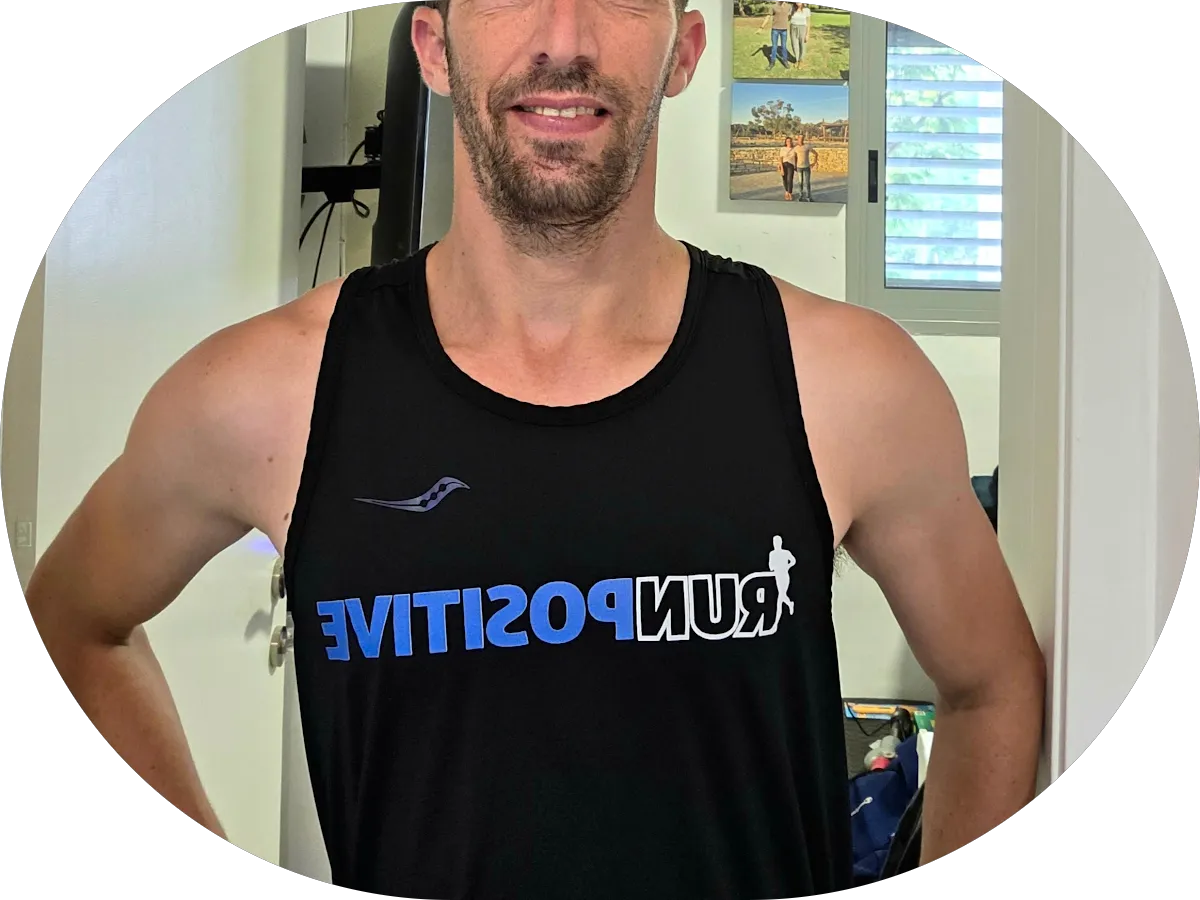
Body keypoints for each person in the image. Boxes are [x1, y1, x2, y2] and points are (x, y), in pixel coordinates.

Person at [23, 1, 1046, 897]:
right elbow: (73, 623)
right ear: (435, 48)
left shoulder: (851, 383)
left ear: (684, 53)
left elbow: (993, 685)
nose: (566, 37)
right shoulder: (261, 395)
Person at [758, 0, 794, 70]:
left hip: (784, 30)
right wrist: (761, 27)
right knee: (774, 47)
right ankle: (772, 62)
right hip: (775, 30)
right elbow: (768, 17)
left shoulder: (789, 6)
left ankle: (785, 61)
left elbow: (791, 15)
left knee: (784, 46)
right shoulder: (774, 6)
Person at [796, 133, 819, 201]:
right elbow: (793, 157)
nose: (801, 139)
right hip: (799, 167)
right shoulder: (795, 148)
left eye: (802, 138)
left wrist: (814, 163)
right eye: (800, 138)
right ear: (798, 139)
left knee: (807, 182)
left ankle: (808, 196)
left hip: (806, 167)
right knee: (800, 182)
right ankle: (800, 196)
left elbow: (816, 153)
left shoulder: (807, 146)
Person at [778, 136, 798, 201]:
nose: (789, 142)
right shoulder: (783, 149)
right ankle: (786, 192)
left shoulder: (794, 149)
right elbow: (780, 159)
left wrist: (796, 165)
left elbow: (796, 157)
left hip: (791, 165)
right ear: (785, 142)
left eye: (790, 141)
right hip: (784, 164)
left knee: (790, 179)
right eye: (787, 141)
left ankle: (790, 193)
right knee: (785, 179)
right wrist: (781, 168)